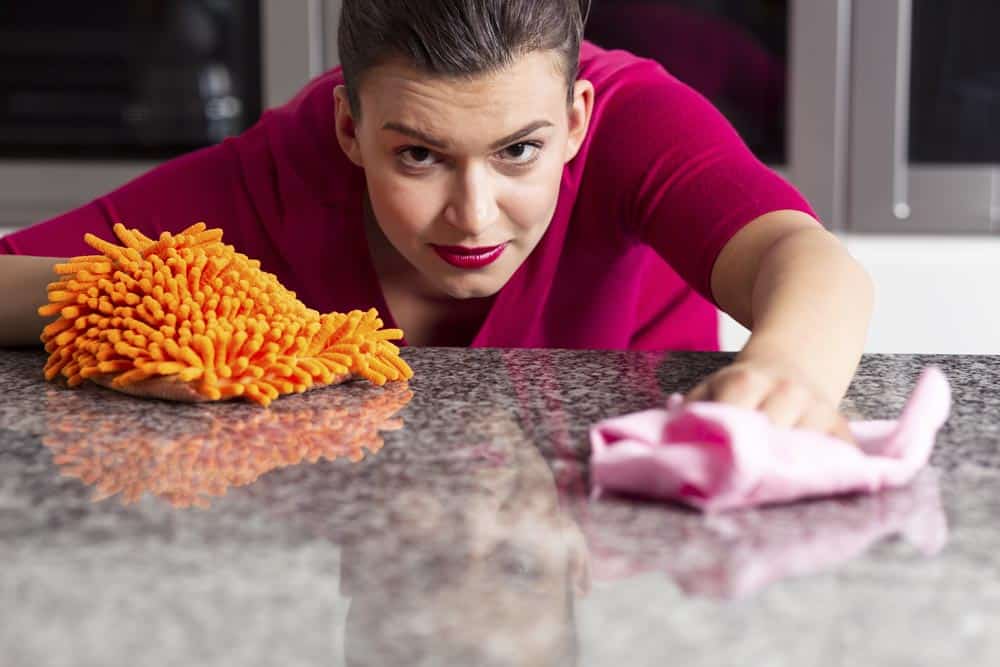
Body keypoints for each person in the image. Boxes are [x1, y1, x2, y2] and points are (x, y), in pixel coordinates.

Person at [0, 0, 873, 441]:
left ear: (575, 119)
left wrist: (788, 369)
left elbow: (803, 257)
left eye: (520, 152)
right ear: (349, 128)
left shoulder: (636, 119)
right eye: (419, 155)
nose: (474, 214)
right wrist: (156, 307)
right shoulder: (289, 164)